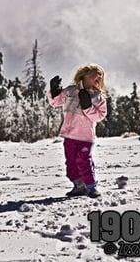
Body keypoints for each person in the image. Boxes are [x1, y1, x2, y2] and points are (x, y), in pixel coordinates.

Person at [47, 63, 107, 198]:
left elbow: (100, 116)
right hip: (69, 135)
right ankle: (79, 186)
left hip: (85, 137)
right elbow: (55, 102)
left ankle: (91, 187)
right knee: (71, 162)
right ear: (84, 75)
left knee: (84, 160)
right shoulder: (70, 91)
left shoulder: (98, 97)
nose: (98, 77)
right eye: (95, 73)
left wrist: (87, 107)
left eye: (101, 76)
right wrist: (54, 91)